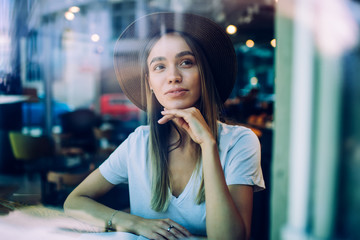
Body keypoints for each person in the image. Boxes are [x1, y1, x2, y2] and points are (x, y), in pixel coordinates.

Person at [64, 12, 265, 240]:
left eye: (186, 62)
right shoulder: (139, 142)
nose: (173, 76)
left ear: (204, 74)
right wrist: (133, 222)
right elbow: (74, 202)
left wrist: (208, 145)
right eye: (159, 66)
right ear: (150, 82)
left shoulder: (239, 141)